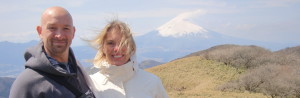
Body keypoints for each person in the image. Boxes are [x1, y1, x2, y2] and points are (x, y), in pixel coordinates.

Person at [9, 6, 95, 98]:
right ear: (40, 31)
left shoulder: (78, 70)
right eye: (52, 28)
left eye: (66, 28)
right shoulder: (27, 84)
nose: (59, 35)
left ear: (73, 32)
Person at [88, 19, 168, 98]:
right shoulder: (91, 84)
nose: (117, 49)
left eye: (123, 43)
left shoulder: (152, 82)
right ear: (103, 48)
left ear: (132, 47)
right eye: (111, 43)